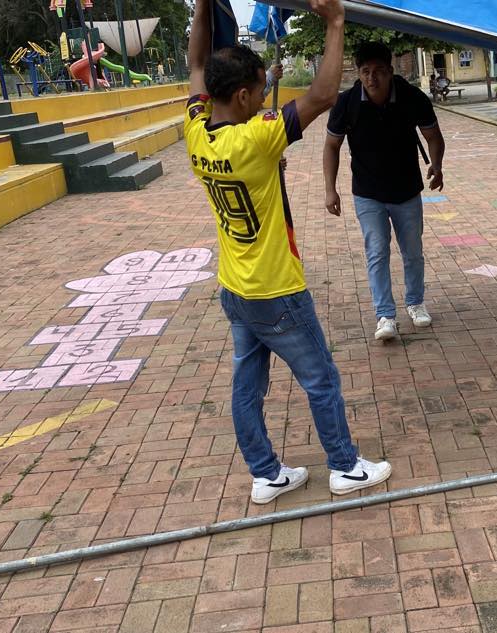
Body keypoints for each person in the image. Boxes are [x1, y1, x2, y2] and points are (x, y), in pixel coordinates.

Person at [185, 0, 391, 504]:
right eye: (259, 91)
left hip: (235, 288)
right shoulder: (257, 138)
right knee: (320, 378)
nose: (263, 99)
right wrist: (335, 22)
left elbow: (195, 64)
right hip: (276, 290)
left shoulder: (195, 129)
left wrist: (203, 8)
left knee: (247, 387)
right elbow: (322, 95)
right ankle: (345, 466)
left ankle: (266, 475)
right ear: (241, 95)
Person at [323, 42, 446, 341]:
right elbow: (331, 145)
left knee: (412, 251)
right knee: (377, 252)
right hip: (368, 193)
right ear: (358, 73)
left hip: (406, 190)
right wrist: (330, 189)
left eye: (378, 71)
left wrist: (437, 165)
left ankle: (415, 302)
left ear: (390, 71)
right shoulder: (347, 103)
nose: (371, 78)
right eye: (365, 71)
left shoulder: (411, 97)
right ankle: (385, 315)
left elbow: (433, 136)